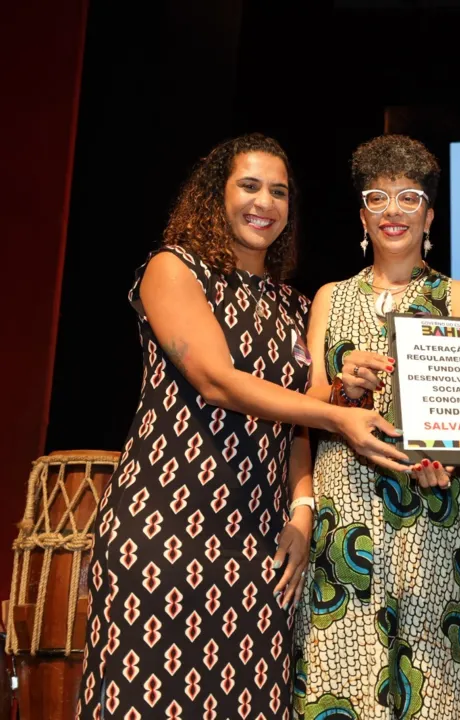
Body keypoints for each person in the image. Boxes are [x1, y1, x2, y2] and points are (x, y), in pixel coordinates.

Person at [76, 133, 412, 719]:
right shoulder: (172, 268)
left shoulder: (290, 304)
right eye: (250, 186)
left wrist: (304, 501)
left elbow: (296, 415)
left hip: (259, 541)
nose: (265, 203)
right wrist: (338, 413)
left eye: (279, 192)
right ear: (216, 194)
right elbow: (217, 380)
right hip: (166, 530)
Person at [292, 134, 460, 720]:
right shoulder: (330, 296)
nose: (392, 212)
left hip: (430, 512)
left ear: (429, 214)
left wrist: (448, 464)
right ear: (362, 215)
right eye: (377, 198)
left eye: (408, 198)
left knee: (437, 689)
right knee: (338, 680)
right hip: (342, 511)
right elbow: (309, 405)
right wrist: (341, 388)